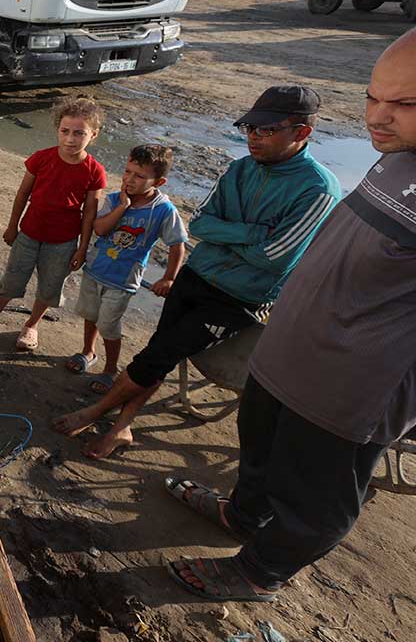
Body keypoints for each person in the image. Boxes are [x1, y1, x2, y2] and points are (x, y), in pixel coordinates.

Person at [162, 30, 416, 604]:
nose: (378, 117)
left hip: (347, 388)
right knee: (258, 449)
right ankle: (241, 514)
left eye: (404, 104)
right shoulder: (397, 158)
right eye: (374, 97)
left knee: (316, 499)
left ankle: (257, 571)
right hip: (286, 356)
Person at [51, 85, 343, 459]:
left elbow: (275, 258)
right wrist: (252, 233)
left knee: (160, 352)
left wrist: (231, 235)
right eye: (250, 128)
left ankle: (94, 412)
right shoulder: (240, 168)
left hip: (240, 297)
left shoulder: (319, 190)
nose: (254, 137)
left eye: (266, 130)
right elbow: (202, 225)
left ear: (301, 133)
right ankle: (123, 426)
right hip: (197, 276)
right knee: (161, 350)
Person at [0, 97, 107, 351]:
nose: (70, 139)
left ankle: (31, 325)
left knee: (49, 286)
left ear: (93, 134)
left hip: (63, 241)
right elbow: (23, 194)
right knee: (12, 279)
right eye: (65, 131)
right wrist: (13, 226)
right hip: (29, 233)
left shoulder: (94, 171)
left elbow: (89, 212)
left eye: (79, 133)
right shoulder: (41, 158)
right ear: (57, 130)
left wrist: (82, 248)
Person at [69, 145, 187, 395]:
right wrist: (123, 207)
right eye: (127, 171)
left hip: (123, 279)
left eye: (139, 176)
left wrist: (169, 278)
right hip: (96, 268)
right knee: (90, 314)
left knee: (109, 324)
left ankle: (110, 369)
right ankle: (88, 352)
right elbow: (99, 229)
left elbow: (177, 245)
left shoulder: (164, 210)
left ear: (160, 181)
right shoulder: (114, 199)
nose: (129, 179)